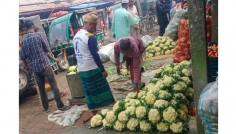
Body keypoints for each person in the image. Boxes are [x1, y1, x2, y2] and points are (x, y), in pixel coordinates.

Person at [20, 20, 70, 112]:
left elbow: (22, 56)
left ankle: (45, 107)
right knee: (53, 85)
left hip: (35, 69)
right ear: (32, 26)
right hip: (45, 66)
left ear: (26, 28)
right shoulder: (38, 36)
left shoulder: (23, 40)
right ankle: (60, 106)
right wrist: (54, 59)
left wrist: (27, 66)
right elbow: (46, 50)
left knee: (41, 88)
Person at [73, 12, 115, 113]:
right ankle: (109, 109)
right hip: (91, 67)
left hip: (82, 68)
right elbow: (95, 55)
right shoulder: (89, 37)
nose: (95, 28)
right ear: (90, 24)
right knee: (102, 88)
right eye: (95, 26)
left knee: (89, 91)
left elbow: (76, 54)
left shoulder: (77, 35)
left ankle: (93, 111)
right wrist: (102, 69)